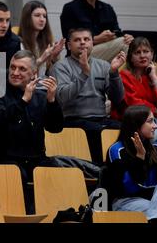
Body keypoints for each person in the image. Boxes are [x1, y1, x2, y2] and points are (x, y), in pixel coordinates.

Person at [0, 50, 64, 182]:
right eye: (13, 67)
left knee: (56, 172)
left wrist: (51, 102)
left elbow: (55, 128)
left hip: (35, 159)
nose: (15, 73)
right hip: (3, 159)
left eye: (22, 69)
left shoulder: (40, 96)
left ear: (34, 74)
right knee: (18, 174)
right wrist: (23, 101)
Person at [51, 28, 126, 164]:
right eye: (77, 40)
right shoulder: (60, 66)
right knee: (97, 131)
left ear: (92, 43)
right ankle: (98, 169)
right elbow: (62, 97)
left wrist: (114, 73)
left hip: (101, 119)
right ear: (69, 45)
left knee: (125, 128)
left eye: (86, 39)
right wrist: (84, 74)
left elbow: (117, 99)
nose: (82, 43)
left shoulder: (103, 65)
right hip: (73, 120)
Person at [106, 105, 157, 222]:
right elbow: (127, 188)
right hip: (126, 202)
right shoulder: (117, 150)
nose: (155, 126)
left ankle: (155, 218)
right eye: (150, 121)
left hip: (154, 201)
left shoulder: (155, 149)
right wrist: (139, 159)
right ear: (136, 125)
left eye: (154, 121)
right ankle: (156, 218)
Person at [60, 0, 133, 62]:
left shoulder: (107, 9)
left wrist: (126, 37)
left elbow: (117, 32)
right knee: (124, 44)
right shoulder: (70, 8)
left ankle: (127, 75)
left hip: (104, 53)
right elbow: (69, 42)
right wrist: (96, 39)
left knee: (130, 42)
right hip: (80, 55)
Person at [114, 37, 157, 142]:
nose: (142, 55)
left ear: (151, 54)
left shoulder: (155, 74)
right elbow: (135, 106)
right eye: (137, 52)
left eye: (146, 51)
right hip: (136, 124)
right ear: (131, 57)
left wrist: (155, 80)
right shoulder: (124, 76)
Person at [18, 0, 65, 76]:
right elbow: (20, 72)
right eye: (37, 15)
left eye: (44, 16)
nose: (42, 19)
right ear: (27, 18)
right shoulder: (19, 43)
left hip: (43, 86)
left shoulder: (47, 42)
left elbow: (53, 76)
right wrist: (42, 59)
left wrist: (54, 58)